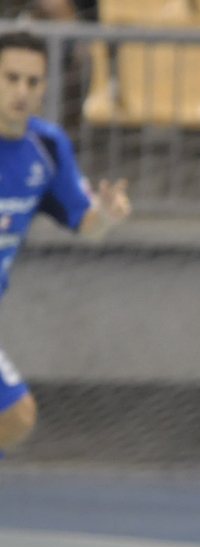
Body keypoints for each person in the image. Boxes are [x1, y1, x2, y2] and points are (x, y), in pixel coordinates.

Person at [0, 30, 131, 457]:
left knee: (15, 417)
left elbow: (86, 223)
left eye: (32, 82)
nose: (22, 91)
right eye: (11, 78)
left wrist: (107, 218)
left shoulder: (48, 147)